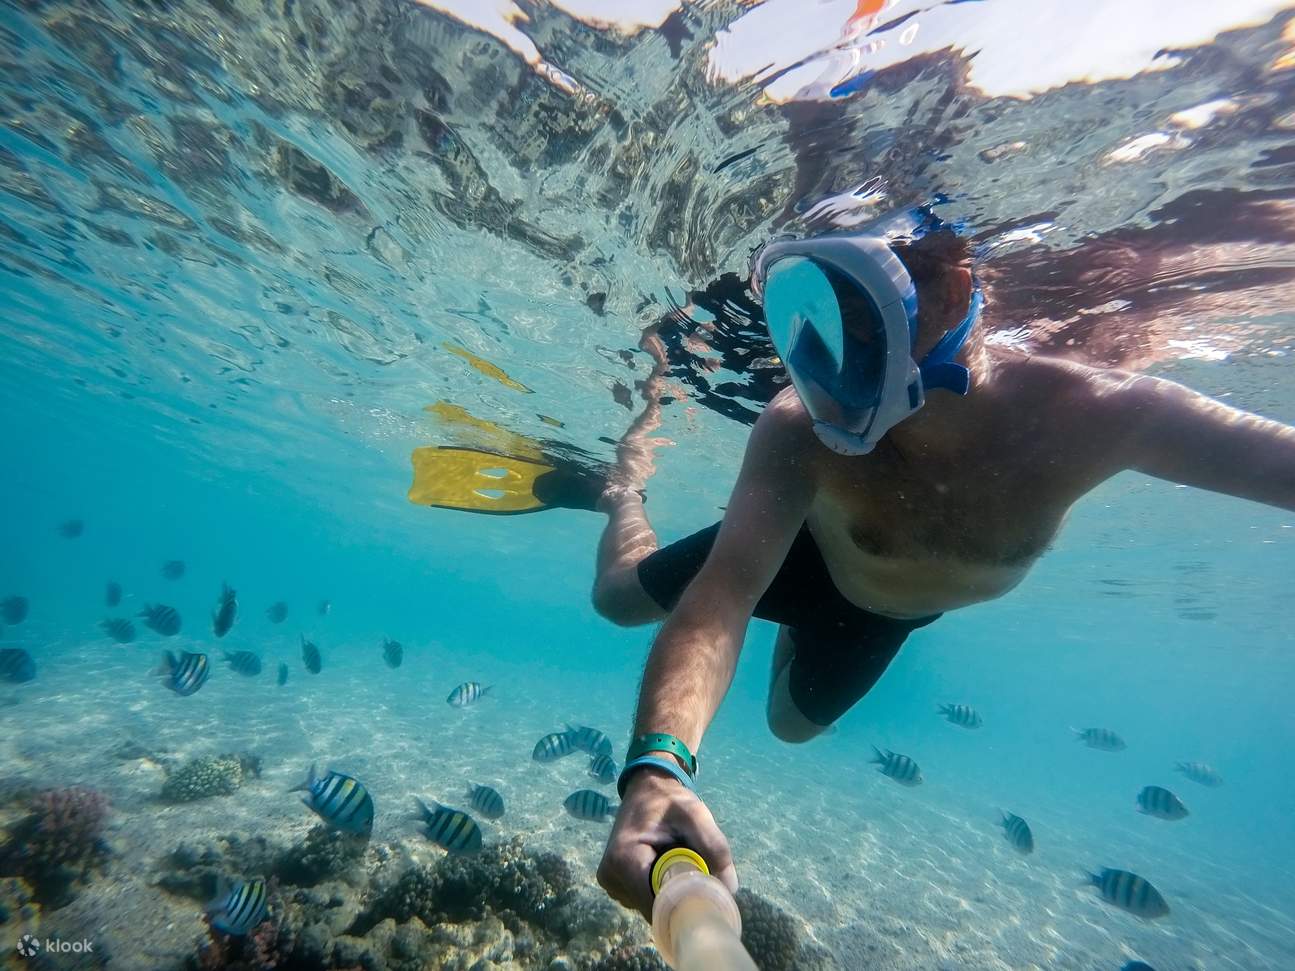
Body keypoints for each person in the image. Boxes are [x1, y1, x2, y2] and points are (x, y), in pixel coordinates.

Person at [589, 218, 1295, 919]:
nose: (834, 355)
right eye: (814, 320)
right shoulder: (797, 427)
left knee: (790, 727)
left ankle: (797, 631)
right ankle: (624, 493)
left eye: (863, 313)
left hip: (884, 616)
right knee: (618, 598)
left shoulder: (1099, 412)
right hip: (806, 560)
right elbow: (721, 595)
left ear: (954, 293)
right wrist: (656, 768)